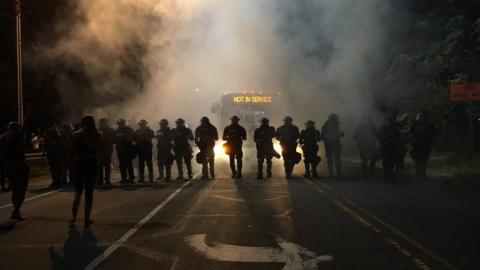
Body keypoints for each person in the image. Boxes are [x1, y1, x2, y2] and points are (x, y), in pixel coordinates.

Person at [65, 116, 101, 227]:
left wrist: (66, 167)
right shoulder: (98, 135)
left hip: (79, 163)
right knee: (89, 193)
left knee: (78, 192)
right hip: (91, 164)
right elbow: (100, 151)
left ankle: (73, 217)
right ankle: (86, 219)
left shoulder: (76, 135)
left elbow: (71, 152)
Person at [0, 122, 29, 220]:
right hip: (19, 166)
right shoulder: (18, 136)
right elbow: (22, 150)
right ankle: (16, 211)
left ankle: (16, 211)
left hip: (8, 166)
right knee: (22, 190)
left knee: (15, 190)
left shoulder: (3, 137)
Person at [410, 112, 437, 178]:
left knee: (422, 159)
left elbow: (434, 133)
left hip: (424, 145)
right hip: (418, 145)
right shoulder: (415, 124)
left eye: (422, 117)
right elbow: (410, 133)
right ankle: (419, 173)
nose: (421, 119)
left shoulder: (429, 124)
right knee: (419, 159)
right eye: (420, 117)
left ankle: (421, 173)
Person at [114, 119, 136, 183]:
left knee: (129, 164)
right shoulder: (117, 130)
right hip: (120, 150)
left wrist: (126, 137)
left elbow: (133, 137)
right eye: (119, 123)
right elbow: (115, 138)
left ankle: (131, 178)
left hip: (127, 149)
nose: (119, 124)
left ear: (123, 123)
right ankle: (124, 178)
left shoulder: (129, 129)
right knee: (122, 165)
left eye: (121, 123)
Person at [97, 118, 115, 185]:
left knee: (107, 166)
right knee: (100, 166)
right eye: (100, 123)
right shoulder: (98, 130)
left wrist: (110, 143)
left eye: (102, 123)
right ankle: (100, 180)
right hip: (100, 150)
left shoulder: (110, 130)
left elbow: (114, 139)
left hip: (107, 150)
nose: (101, 125)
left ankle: (107, 179)